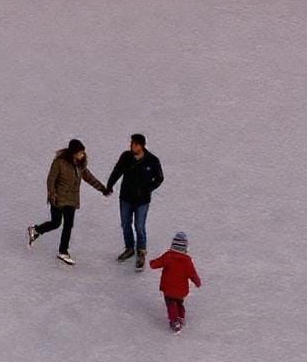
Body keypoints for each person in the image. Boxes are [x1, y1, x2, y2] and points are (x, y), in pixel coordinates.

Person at [26, 139, 108, 264]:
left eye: (83, 152)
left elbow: (89, 178)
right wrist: (52, 195)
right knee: (56, 223)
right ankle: (36, 230)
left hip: (72, 200)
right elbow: (50, 180)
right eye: (80, 152)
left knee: (68, 225)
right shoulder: (59, 163)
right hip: (58, 199)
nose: (83, 155)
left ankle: (63, 251)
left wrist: (102, 189)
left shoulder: (80, 166)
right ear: (73, 152)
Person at [105, 134, 165, 268]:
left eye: (135, 144)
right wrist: (109, 186)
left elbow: (159, 178)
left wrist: (146, 189)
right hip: (126, 198)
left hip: (142, 201)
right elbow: (117, 171)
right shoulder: (126, 157)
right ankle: (129, 248)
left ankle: (141, 251)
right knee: (125, 224)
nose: (132, 146)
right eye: (132, 144)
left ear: (142, 145)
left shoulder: (152, 160)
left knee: (139, 226)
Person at [149, 231, 201, 333]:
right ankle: (181, 316)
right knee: (179, 302)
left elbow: (156, 264)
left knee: (171, 303)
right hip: (181, 290)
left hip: (168, 288)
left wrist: (152, 263)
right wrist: (197, 282)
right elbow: (192, 274)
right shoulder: (187, 261)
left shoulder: (168, 256)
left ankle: (174, 320)